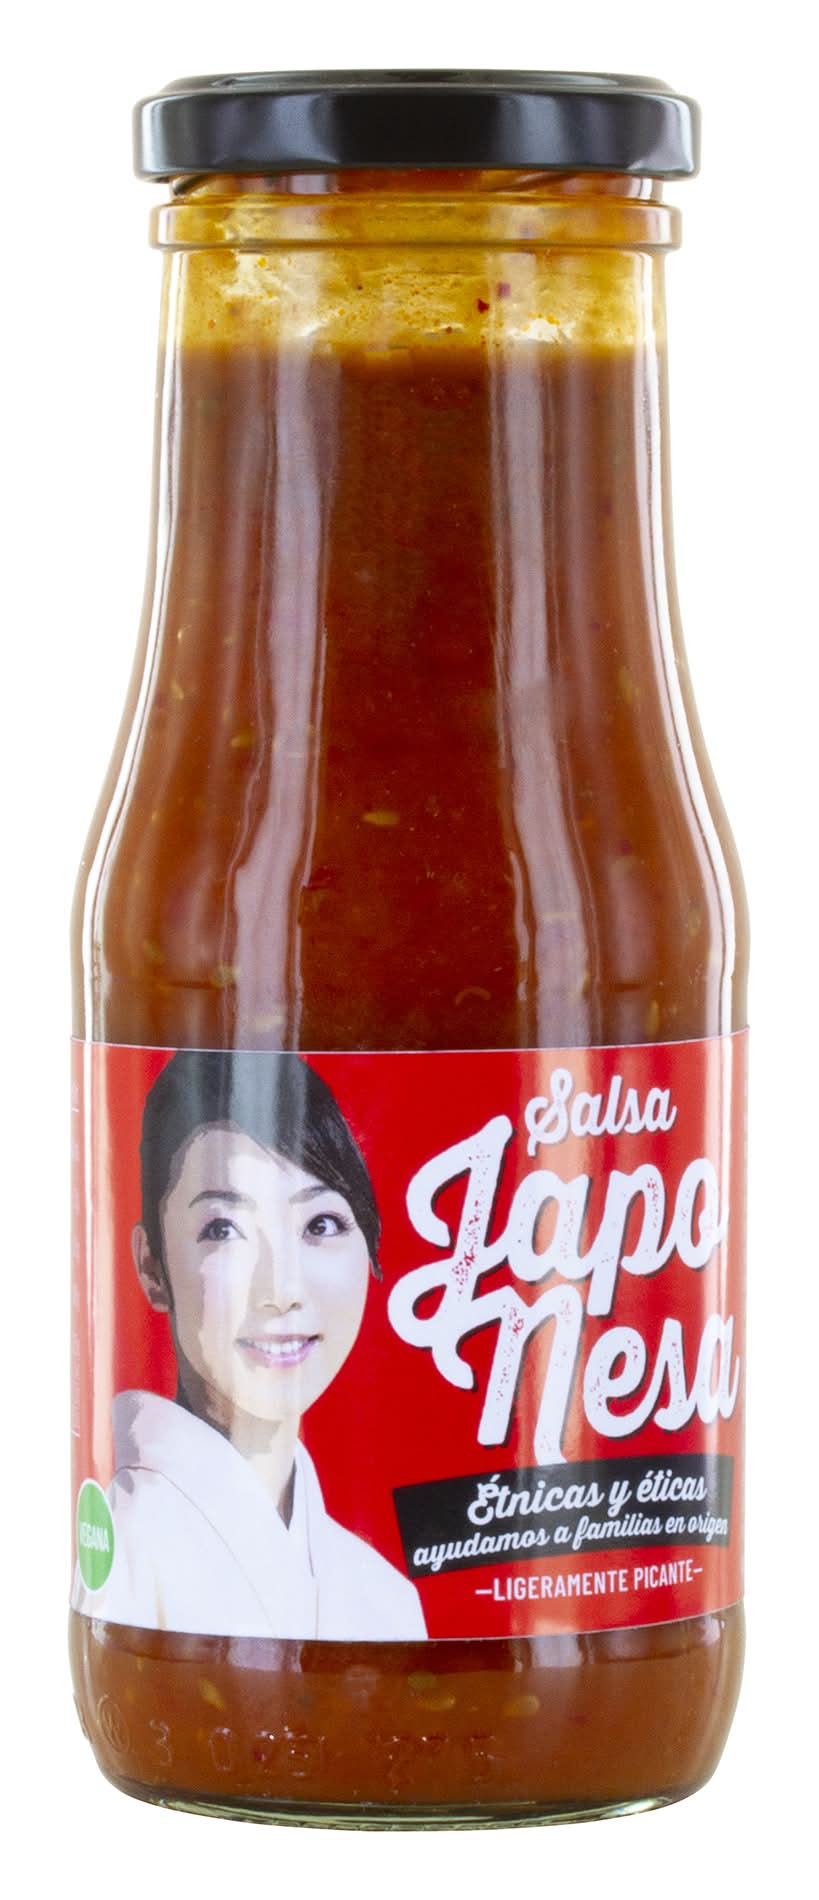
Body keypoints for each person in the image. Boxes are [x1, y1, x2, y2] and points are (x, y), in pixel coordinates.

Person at [72, 1050, 426, 1639]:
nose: (281, 1291)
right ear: (151, 1266)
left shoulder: (385, 1597)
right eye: (223, 1229)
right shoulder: (132, 1542)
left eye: (321, 1225)